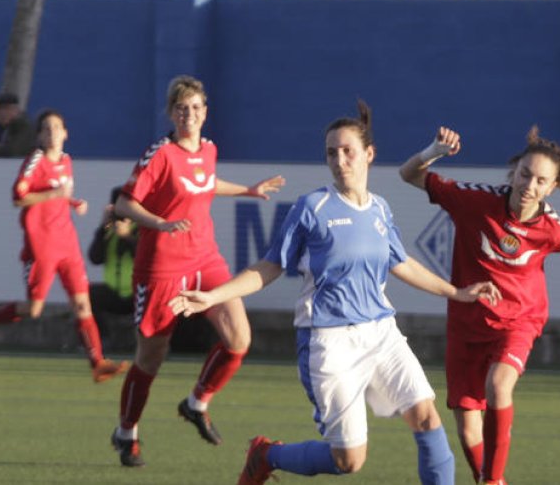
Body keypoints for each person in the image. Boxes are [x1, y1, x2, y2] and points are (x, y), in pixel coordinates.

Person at [170, 101, 499, 485]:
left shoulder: (380, 209)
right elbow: (270, 266)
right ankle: (266, 455)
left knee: (427, 417)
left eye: (348, 151)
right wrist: (214, 296)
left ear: (369, 154)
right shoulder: (313, 207)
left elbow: (402, 263)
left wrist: (456, 292)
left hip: (381, 332)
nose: (339, 160)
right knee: (348, 460)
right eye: (331, 152)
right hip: (329, 341)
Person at [398, 125, 560, 485]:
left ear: (551, 187)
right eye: (525, 174)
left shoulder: (552, 228)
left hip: (518, 322)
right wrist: (433, 151)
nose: (530, 185)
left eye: (541, 181)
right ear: (514, 172)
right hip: (466, 325)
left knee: (498, 385)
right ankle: (489, 480)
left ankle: (492, 481)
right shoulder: (474, 200)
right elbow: (408, 174)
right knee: (468, 429)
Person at [109, 74, 286, 468]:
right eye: (181, 108)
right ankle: (126, 432)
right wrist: (161, 223)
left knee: (239, 338)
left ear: (205, 112)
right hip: (161, 266)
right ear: (171, 113)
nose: (188, 114)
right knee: (151, 356)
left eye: (194, 107)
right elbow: (124, 204)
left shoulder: (208, 149)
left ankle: (196, 403)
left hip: (205, 259)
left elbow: (204, 182)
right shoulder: (160, 154)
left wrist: (248, 190)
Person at [0, 109, 130, 384]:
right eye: (46, 129)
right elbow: (18, 196)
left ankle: (97, 363)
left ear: (66, 133)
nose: (52, 133)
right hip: (42, 244)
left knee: (82, 305)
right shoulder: (35, 160)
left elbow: (58, 194)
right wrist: (54, 194)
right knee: (34, 309)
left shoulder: (66, 161)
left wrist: (73, 202)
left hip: (68, 244)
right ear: (39, 135)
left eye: (57, 128)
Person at [87, 186, 136, 328]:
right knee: (85, 293)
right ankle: (101, 336)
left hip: (136, 293)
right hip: (113, 291)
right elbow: (95, 258)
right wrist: (103, 228)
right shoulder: (109, 231)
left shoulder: (142, 228)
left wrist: (127, 237)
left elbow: (146, 257)